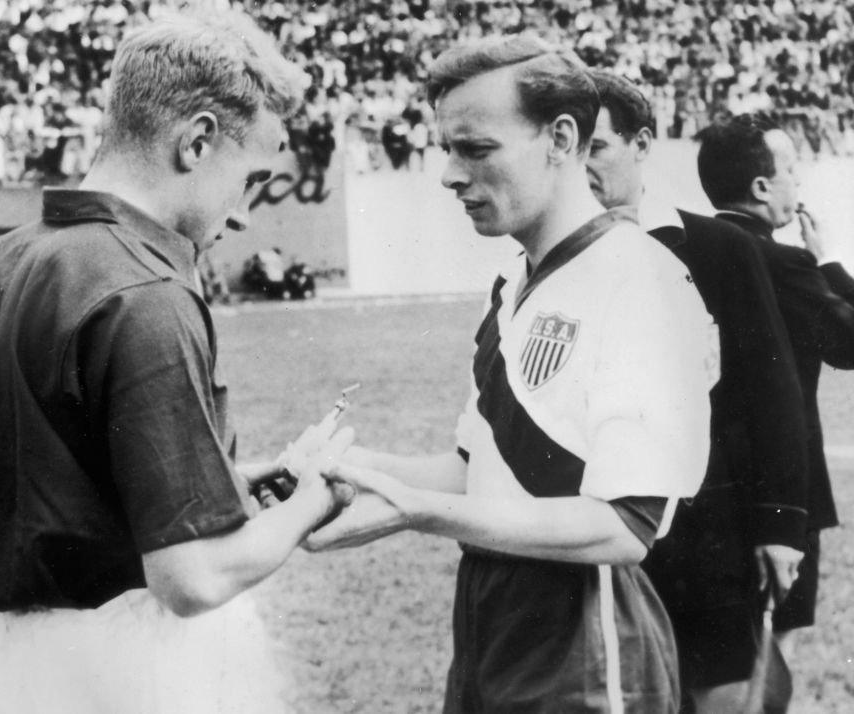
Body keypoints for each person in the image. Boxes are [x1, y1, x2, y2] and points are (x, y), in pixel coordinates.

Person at [0, 12, 353, 713]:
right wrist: (316, 499)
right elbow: (193, 579)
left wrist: (225, 482)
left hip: (9, 667)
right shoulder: (146, 289)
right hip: (133, 669)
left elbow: (56, 478)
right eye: (250, 181)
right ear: (198, 142)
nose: (246, 216)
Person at [309, 35, 718, 713]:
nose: (448, 174)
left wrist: (420, 514)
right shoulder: (512, 282)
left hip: (585, 639)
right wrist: (348, 469)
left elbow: (623, 528)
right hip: (491, 622)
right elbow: (479, 472)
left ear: (561, 139)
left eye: (475, 149)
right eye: (446, 149)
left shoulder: (641, 280)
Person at [586, 72, 809, 713]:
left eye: (598, 148)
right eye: (569, 152)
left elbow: (772, 393)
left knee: (721, 695)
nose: (582, 169)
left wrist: (781, 526)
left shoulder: (719, 248)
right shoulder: (550, 264)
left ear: (643, 144)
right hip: (599, 533)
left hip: (712, 530)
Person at [696, 112, 854, 663]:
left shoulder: (691, 247)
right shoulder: (782, 261)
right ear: (762, 187)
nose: (799, 182)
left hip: (708, 488)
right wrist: (828, 260)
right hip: (782, 488)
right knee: (769, 658)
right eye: (791, 170)